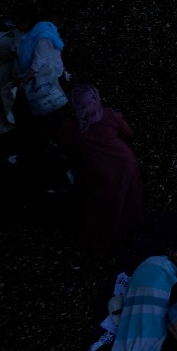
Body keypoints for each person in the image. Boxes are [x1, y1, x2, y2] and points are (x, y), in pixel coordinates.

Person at [57, 83, 146, 258]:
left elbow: (63, 142)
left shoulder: (71, 127)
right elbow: (128, 134)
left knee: (104, 206)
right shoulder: (110, 116)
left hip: (100, 172)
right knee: (129, 199)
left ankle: (105, 240)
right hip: (125, 163)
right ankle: (131, 233)